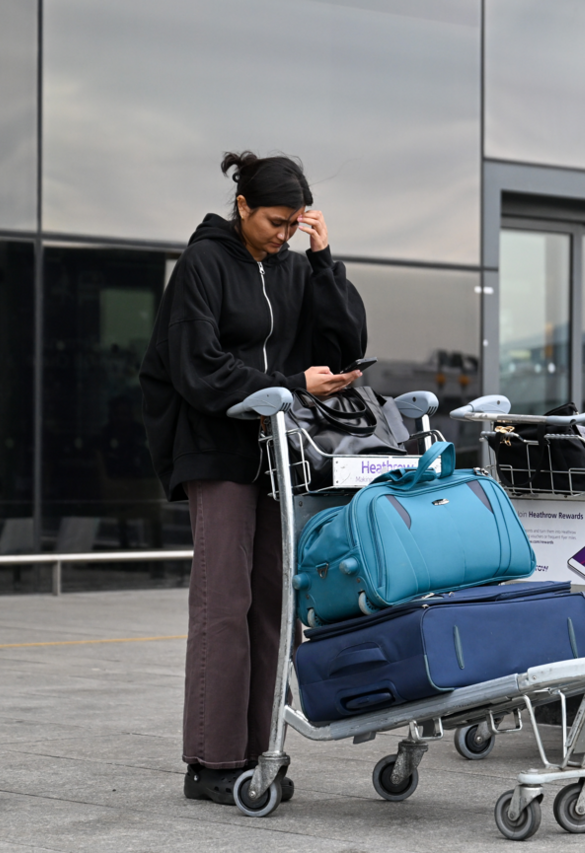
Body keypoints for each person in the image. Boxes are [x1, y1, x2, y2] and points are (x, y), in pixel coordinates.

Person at [140, 151, 367, 804]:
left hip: (277, 456)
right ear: (242, 206)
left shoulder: (296, 269)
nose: (284, 234)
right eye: (275, 221)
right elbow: (197, 367)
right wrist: (291, 383)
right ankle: (212, 759)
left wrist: (324, 263)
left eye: (296, 224)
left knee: (275, 602)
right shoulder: (204, 265)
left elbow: (345, 345)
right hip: (216, 451)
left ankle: (261, 750)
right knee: (224, 602)